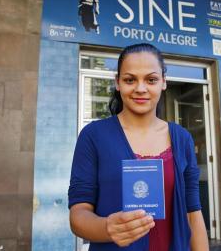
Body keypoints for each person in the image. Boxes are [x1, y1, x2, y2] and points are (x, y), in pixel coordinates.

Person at [68, 43, 209, 251]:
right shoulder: (93, 136)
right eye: (130, 80)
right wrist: (107, 228)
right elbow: (78, 214)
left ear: (163, 82)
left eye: (151, 80)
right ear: (118, 83)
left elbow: (193, 213)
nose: (140, 88)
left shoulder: (182, 138)